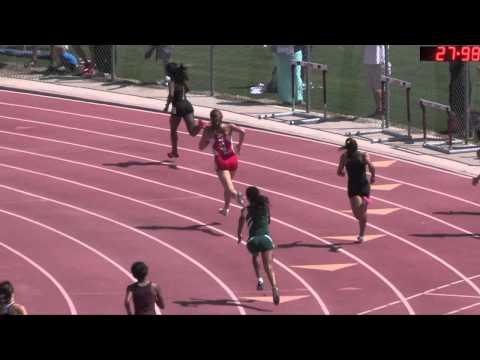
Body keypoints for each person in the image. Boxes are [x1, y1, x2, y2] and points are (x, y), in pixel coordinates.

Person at [237, 186, 280, 306]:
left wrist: (239, 235)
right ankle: (274, 287)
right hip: (266, 239)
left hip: (252, 240)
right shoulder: (265, 208)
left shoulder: (245, 210)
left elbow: (240, 224)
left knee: (255, 256)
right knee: (269, 266)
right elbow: (269, 221)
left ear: (248, 197)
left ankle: (259, 279)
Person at [198, 109, 246, 215]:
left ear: (211, 118)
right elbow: (243, 131)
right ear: (222, 118)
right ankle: (226, 208)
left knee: (229, 188)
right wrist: (239, 144)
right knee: (228, 185)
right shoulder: (229, 126)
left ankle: (239, 197)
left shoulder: (208, 130)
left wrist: (207, 141)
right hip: (233, 159)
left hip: (221, 161)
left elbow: (200, 147)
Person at [337, 138, 376, 244]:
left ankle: (361, 235)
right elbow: (339, 171)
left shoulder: (358, 155)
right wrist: (372, 176)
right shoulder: (350, 156)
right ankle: (361, 235)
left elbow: (371, 166)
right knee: (359, 214)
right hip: (358, 186)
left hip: (359, 187)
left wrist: (372, 176)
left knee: (359, 213)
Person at [164, 63, 205, 159]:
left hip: (176, 107)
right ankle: (200, 126)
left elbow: (171, 95)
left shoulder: (171, 82)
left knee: (173, 131)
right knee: (192, 132)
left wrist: (166, 106)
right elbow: (187, 90)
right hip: (187, 105)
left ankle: (174, 151)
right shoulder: (181, 80)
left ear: (169, 72)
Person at [363, 45, 388, 118]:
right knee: (374, 87)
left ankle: (385, 110)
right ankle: (378, 110)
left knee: (382, 87)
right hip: (369, 60)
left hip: (380, 61)